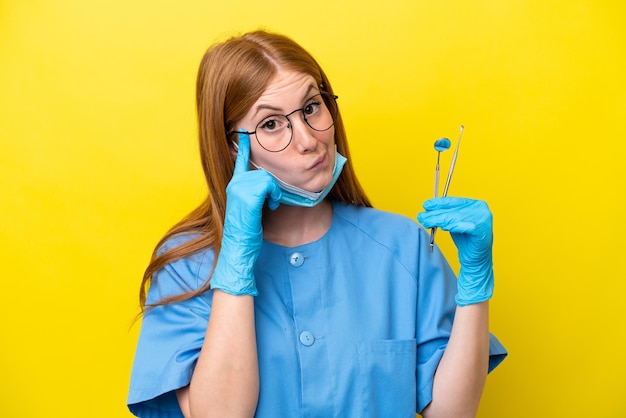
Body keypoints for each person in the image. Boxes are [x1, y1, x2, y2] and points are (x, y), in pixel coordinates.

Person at [127, 30, 507, 418]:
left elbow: (451, 413)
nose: (308, 140)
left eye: (311, 107)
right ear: (233, 147)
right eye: (271, 124)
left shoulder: (404, 246)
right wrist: (236, 265)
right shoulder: (186, 267)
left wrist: (475, 285)